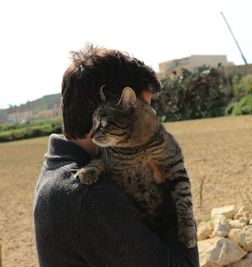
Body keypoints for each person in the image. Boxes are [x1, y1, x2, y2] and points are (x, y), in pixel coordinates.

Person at [33, 45, 199, 267]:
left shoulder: (56, 170)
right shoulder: (91, 196)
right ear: (108, 107)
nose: (152, 121)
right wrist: (166, 191)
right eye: (146, 110)